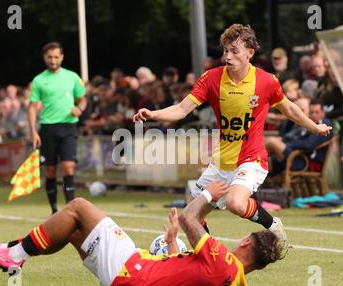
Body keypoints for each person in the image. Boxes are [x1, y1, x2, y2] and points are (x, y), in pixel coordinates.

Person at [133, 23, 332, 258]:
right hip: (220, 162)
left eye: (235, 51)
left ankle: (273, 225)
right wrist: (153, 114)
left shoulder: (266, 81)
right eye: (226, 50)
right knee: (190, 216)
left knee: (236, 203)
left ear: (250, 53)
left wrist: (315, 127)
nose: (228, 56)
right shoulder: (211, 78)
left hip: (252, 158)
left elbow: (290, 109)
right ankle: (213, 258)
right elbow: (181, 109)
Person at [0, 180, 282, 286]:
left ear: (246, 243)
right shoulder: (230, 277)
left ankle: (15, 256)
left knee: (79, 206)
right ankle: (9, 250)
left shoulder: (224, 262)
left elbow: (191, 216)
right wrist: (173, 240)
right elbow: (183, 273)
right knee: (75, 229)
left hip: (131, 270)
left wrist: (207, 194)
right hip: (129, 275)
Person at [28, 42, 87, 214]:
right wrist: (33, 131)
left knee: (68, 167)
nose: (53, 60)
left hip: (69, 127)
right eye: (49, 57)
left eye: (56, 57)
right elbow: (32, 107)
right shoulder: (39, 80)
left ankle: (70, 210)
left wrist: (80, 109)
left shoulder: (72, 77)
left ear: (61, 57)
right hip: (48, 128)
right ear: (45, 58)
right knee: (51, 170)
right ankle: (54, 210)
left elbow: (82, 98)